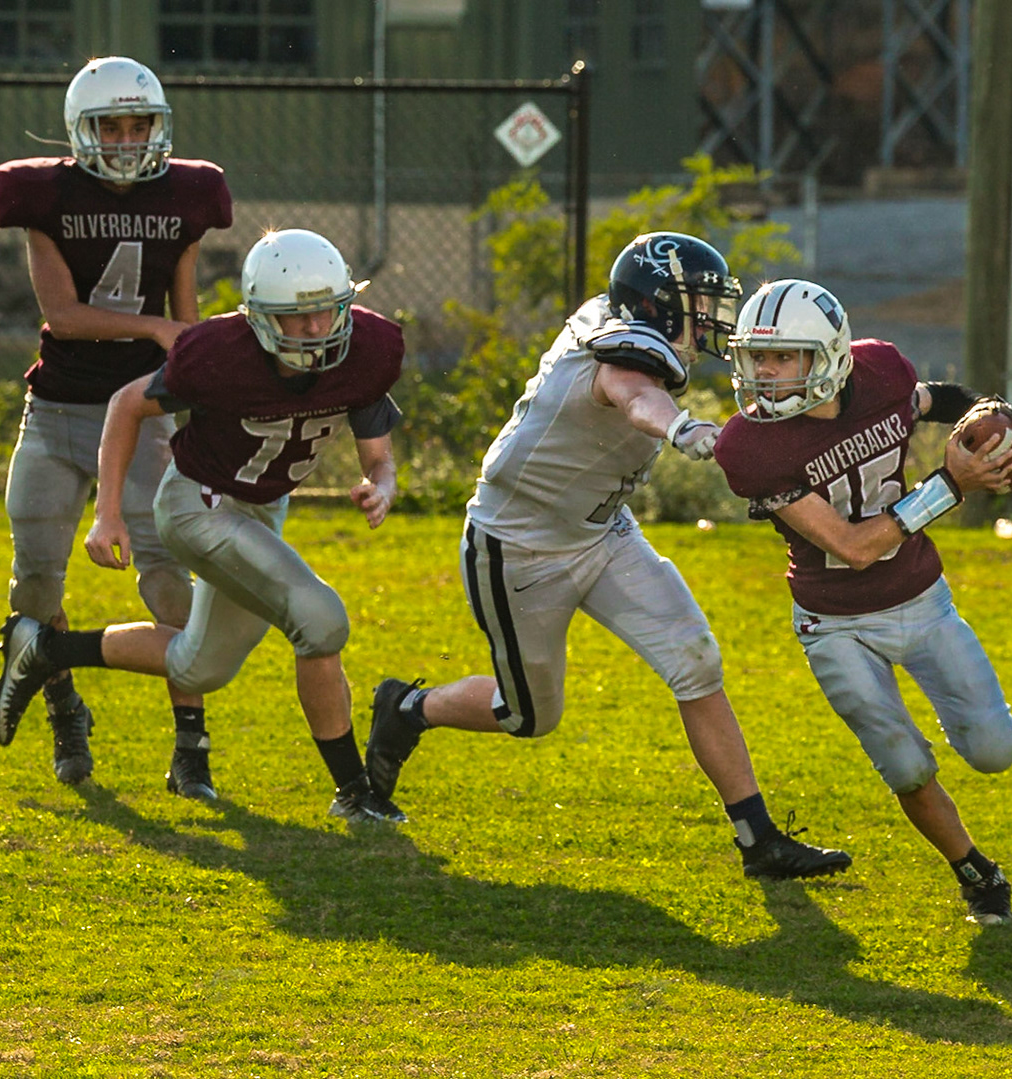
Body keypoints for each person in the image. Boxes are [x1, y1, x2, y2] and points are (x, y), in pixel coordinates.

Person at [363, 232, 852, 881]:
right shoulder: (621, 349)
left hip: (601, 532)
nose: (712, 317)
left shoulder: (622, 321)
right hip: (520, 544)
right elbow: (632, 393)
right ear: (660, 303)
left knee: (695, 659)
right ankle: (407, 709)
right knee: (528, 715)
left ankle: (758, 840)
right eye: (700, 303)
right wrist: (680, 427)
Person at [0, 229, 409, 823]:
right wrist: (108, 512)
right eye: (298, 317)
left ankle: (45, 648)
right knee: (320, 619)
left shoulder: (365, 349)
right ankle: (355, 792)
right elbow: (127, 403)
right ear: (259, 317)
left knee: (199, 666)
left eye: (327, 311)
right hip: (198, 504)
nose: (317, 329)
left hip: (260, 509)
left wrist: (382, 485)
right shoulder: (220, 353)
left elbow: (379, 456)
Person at [710, 277, 1012, 925]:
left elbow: (934, 401)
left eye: (783, 357)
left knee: (995, 750)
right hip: (834, 624)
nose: (763, 372)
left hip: (920, 599)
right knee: (906, 765)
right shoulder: (749, 446)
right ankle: (976, 871)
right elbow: (854, 548)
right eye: (756, 357)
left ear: (830, 357)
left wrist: (994, 419)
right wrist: (951, 483)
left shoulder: (880, 372)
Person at [0, 57, 231, 788]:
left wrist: (198, 378)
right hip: (58, 411)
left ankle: (191, 743)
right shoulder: (44, 195)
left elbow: (185, 315)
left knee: (168, 577)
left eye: (138, 126)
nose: (127, 141)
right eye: (111, 128)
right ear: (81, 132)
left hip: (144, 413)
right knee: (34, 583)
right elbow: (62, 315)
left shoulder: (187, 194)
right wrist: (154, 328)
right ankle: (64, 704)